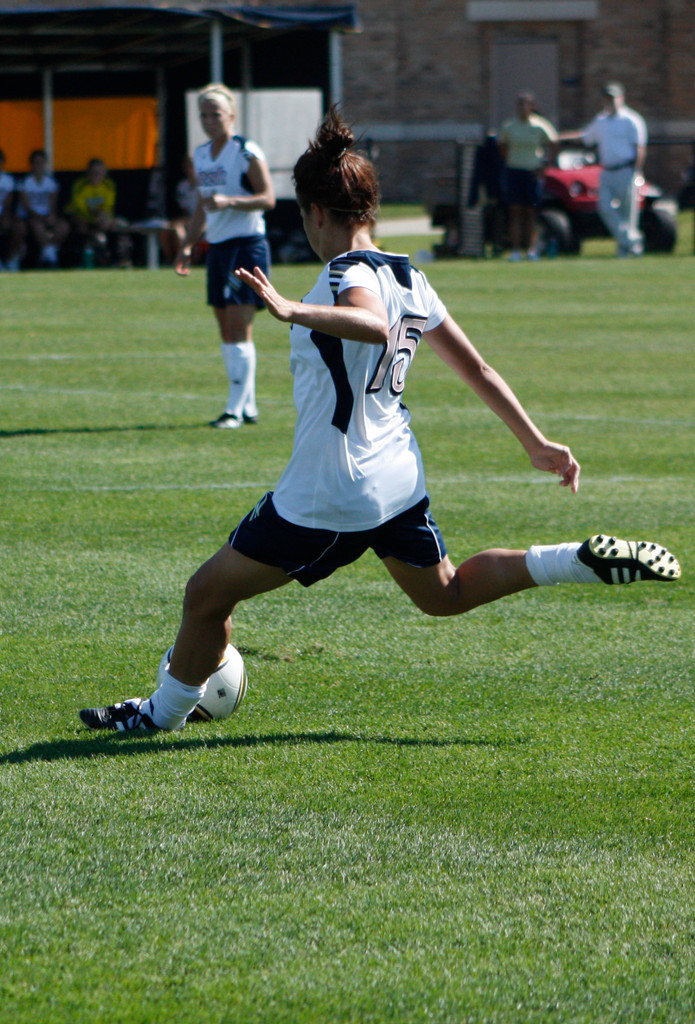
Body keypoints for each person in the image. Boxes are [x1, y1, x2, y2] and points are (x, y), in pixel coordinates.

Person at [78, 107, 681, 734]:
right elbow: (477, 369)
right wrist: (535, 442)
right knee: (445, 594)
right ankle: (574, 560)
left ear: (316, 212)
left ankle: (159, 716)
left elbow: (370, 322)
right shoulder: (410, 274)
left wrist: (292, 310)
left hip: (329, 491)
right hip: (395, 475)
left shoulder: (346, 272)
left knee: (206, 595)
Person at [174, 83, 276, 429]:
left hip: (246, 246)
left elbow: (268, 197)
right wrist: (188, 244)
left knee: (239, 326)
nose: (209, 120)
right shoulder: (201, 155)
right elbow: (203, 207)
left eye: (216, 113)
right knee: (224, 327)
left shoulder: (245, 151)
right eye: (204, 114)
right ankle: (246, 406)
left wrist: (231, 202)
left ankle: (233, 409)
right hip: (218, 249)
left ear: (231, 115)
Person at [560, 82, 647, 257]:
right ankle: (631, 240)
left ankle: (625, 249)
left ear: (621, 99)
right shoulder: (601, 120)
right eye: (607, 98)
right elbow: (586, 137)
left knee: (628, 213)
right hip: (607, 171)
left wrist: (636, 171)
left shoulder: (632, 120)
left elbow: (640, 147)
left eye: (613, 98)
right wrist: (560, 137)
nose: (610, 102)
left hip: (625, 170)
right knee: (604, 207)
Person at [498, 92, 558, 261]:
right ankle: (516, 249)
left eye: (526, 105)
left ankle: (532, 249)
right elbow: (502, 147)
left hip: (532, 172)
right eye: (520, 105)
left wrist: (545, 166)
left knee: (531, 212)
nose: (523, 109)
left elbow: (553, 143)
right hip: (515, 171)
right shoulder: (509, 127)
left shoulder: (540, 126)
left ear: (532, 107)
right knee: (515, 211)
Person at [65, 158, 132, 267]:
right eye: (93, 172)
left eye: (99, 173)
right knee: (79, 223)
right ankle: (78, 260)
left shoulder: (108, 185)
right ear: (88, 173)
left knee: (113, 224)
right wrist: (93, 217)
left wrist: (100, 216)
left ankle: (114, 259)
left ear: (104, 173)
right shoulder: (80, 185)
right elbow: (79, 208)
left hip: (99, 218)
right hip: (82, 218)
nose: (96, 175)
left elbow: (107, 207)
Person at [16, 149, 70, 268]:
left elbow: (53, 204)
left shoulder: (51, 182)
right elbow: (26, 207)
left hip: (46, 216)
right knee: (37, 226)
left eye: (41, 163)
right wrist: (40, 217)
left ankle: (48, 253)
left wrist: (50, 215)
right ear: (31, 164)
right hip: (30, 217)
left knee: (63, 226)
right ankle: (52, 259)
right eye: (36, 163)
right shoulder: (25, 182)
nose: (39, 166)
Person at [159, 154, 201, 266]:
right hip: (188, 220)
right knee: (165, 231)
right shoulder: (182, 187)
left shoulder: (205, 185)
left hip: (204, 223)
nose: (189, 169)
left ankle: (187, 260)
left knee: (178, 230)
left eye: (191, 166)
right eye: (187, 166)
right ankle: (169, 260)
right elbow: (185, 211)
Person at [0, 147, 26, 271]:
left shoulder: (9, 180)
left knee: (19, 228)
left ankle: (11, 260)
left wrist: (5, 216)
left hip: (5, 215)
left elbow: (8, 204)